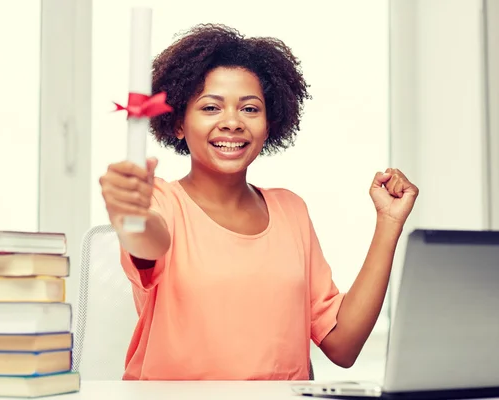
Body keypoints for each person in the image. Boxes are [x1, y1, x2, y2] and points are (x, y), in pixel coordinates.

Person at [99, 24, 419, 381]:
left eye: (250, 109)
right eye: (210, 107)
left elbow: (343, 345)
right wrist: (132, 216)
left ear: (270, 125)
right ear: (178, 123)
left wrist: (389, 223)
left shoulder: (291, 211)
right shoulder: (160, 201)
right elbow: (149, 240)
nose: (232, 122)